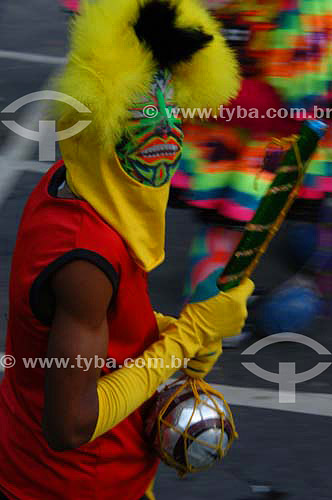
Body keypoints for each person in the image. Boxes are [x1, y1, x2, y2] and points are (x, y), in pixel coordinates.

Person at [0, 1, 254, 499]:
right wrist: (187, 337)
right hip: (76, 486)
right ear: (100, 113)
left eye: (169, 103)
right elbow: (70, 425)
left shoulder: (67, 183)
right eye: (141, 107)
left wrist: (166, 327)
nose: (164, 128)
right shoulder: (86, 260)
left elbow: (95, 324)